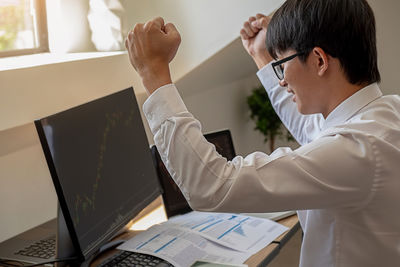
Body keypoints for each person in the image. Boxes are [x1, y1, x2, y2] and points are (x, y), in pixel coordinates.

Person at [124, 0, 400, 266]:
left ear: (319, 60)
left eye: (282, 64)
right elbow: (315, 133)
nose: (281, 79)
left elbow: (212, 186)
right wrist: (262, 56)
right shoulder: (385, 114)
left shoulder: (355, 149)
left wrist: (153, 74)